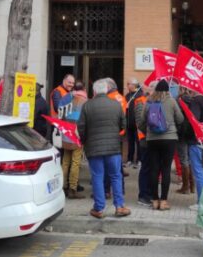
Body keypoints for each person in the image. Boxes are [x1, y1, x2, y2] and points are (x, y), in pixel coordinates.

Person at [77, 78, 130, 219]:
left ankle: (99, 208)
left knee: (97, 177)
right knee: (116, 176)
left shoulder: (87, 105)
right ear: (106, 90)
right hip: (113, 148)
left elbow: (81, 127)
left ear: (94, 91)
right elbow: (124, 125)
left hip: (94, 148)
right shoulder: (116, 105)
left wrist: (84, 141)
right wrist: (115, 136)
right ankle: (119, 206)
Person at [138, 79, 184, 211]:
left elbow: (141, 121)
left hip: (152, 139)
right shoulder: (171, 101)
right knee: (165, 169)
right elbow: (180, 119)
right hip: (169, 139)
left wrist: (147, 133)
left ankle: (154, 200)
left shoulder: (149, 101)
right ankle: (163, 201)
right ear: (167, 90)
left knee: (154, 169)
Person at [62, 81, 88, 199]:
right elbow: (84, 121)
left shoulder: (67, 99)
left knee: (66, 162)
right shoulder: (84, 102)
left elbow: (61, 116)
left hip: (66, 135)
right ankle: (73, 189)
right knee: (76, 163)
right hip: (77, 136)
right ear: (84, 89)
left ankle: (63, 187)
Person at [134, 81, 153, 206]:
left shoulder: (152, 101)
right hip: (145, 139)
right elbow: (140, 122)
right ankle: (143, 195)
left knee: (150, 168)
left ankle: (149, 194)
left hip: (152, 139)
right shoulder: (140, 101)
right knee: (146, 168)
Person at [125, 77, 143, 167]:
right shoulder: (128, 95)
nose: (127, 85)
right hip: (129, 123)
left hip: (137, 124)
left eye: (128, 84)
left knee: (139, 142)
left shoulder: (140, 94)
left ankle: (139, 159)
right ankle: (130, 159)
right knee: (130, 142)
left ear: (134, 85)